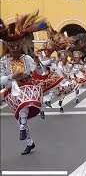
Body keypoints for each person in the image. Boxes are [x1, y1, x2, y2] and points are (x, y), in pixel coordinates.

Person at [0, 11, 48, 155]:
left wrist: (39, 64)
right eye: (12, 49)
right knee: (21, 118)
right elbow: (1, 79)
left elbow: (40, 73)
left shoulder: (27, 58)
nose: (15, 52)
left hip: (28, 89)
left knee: (23, 108)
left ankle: (22, 128)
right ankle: (30, 143)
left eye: (17, 49)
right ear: (8, 47)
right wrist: (12, 76)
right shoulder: (3, 61)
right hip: (13, 90)